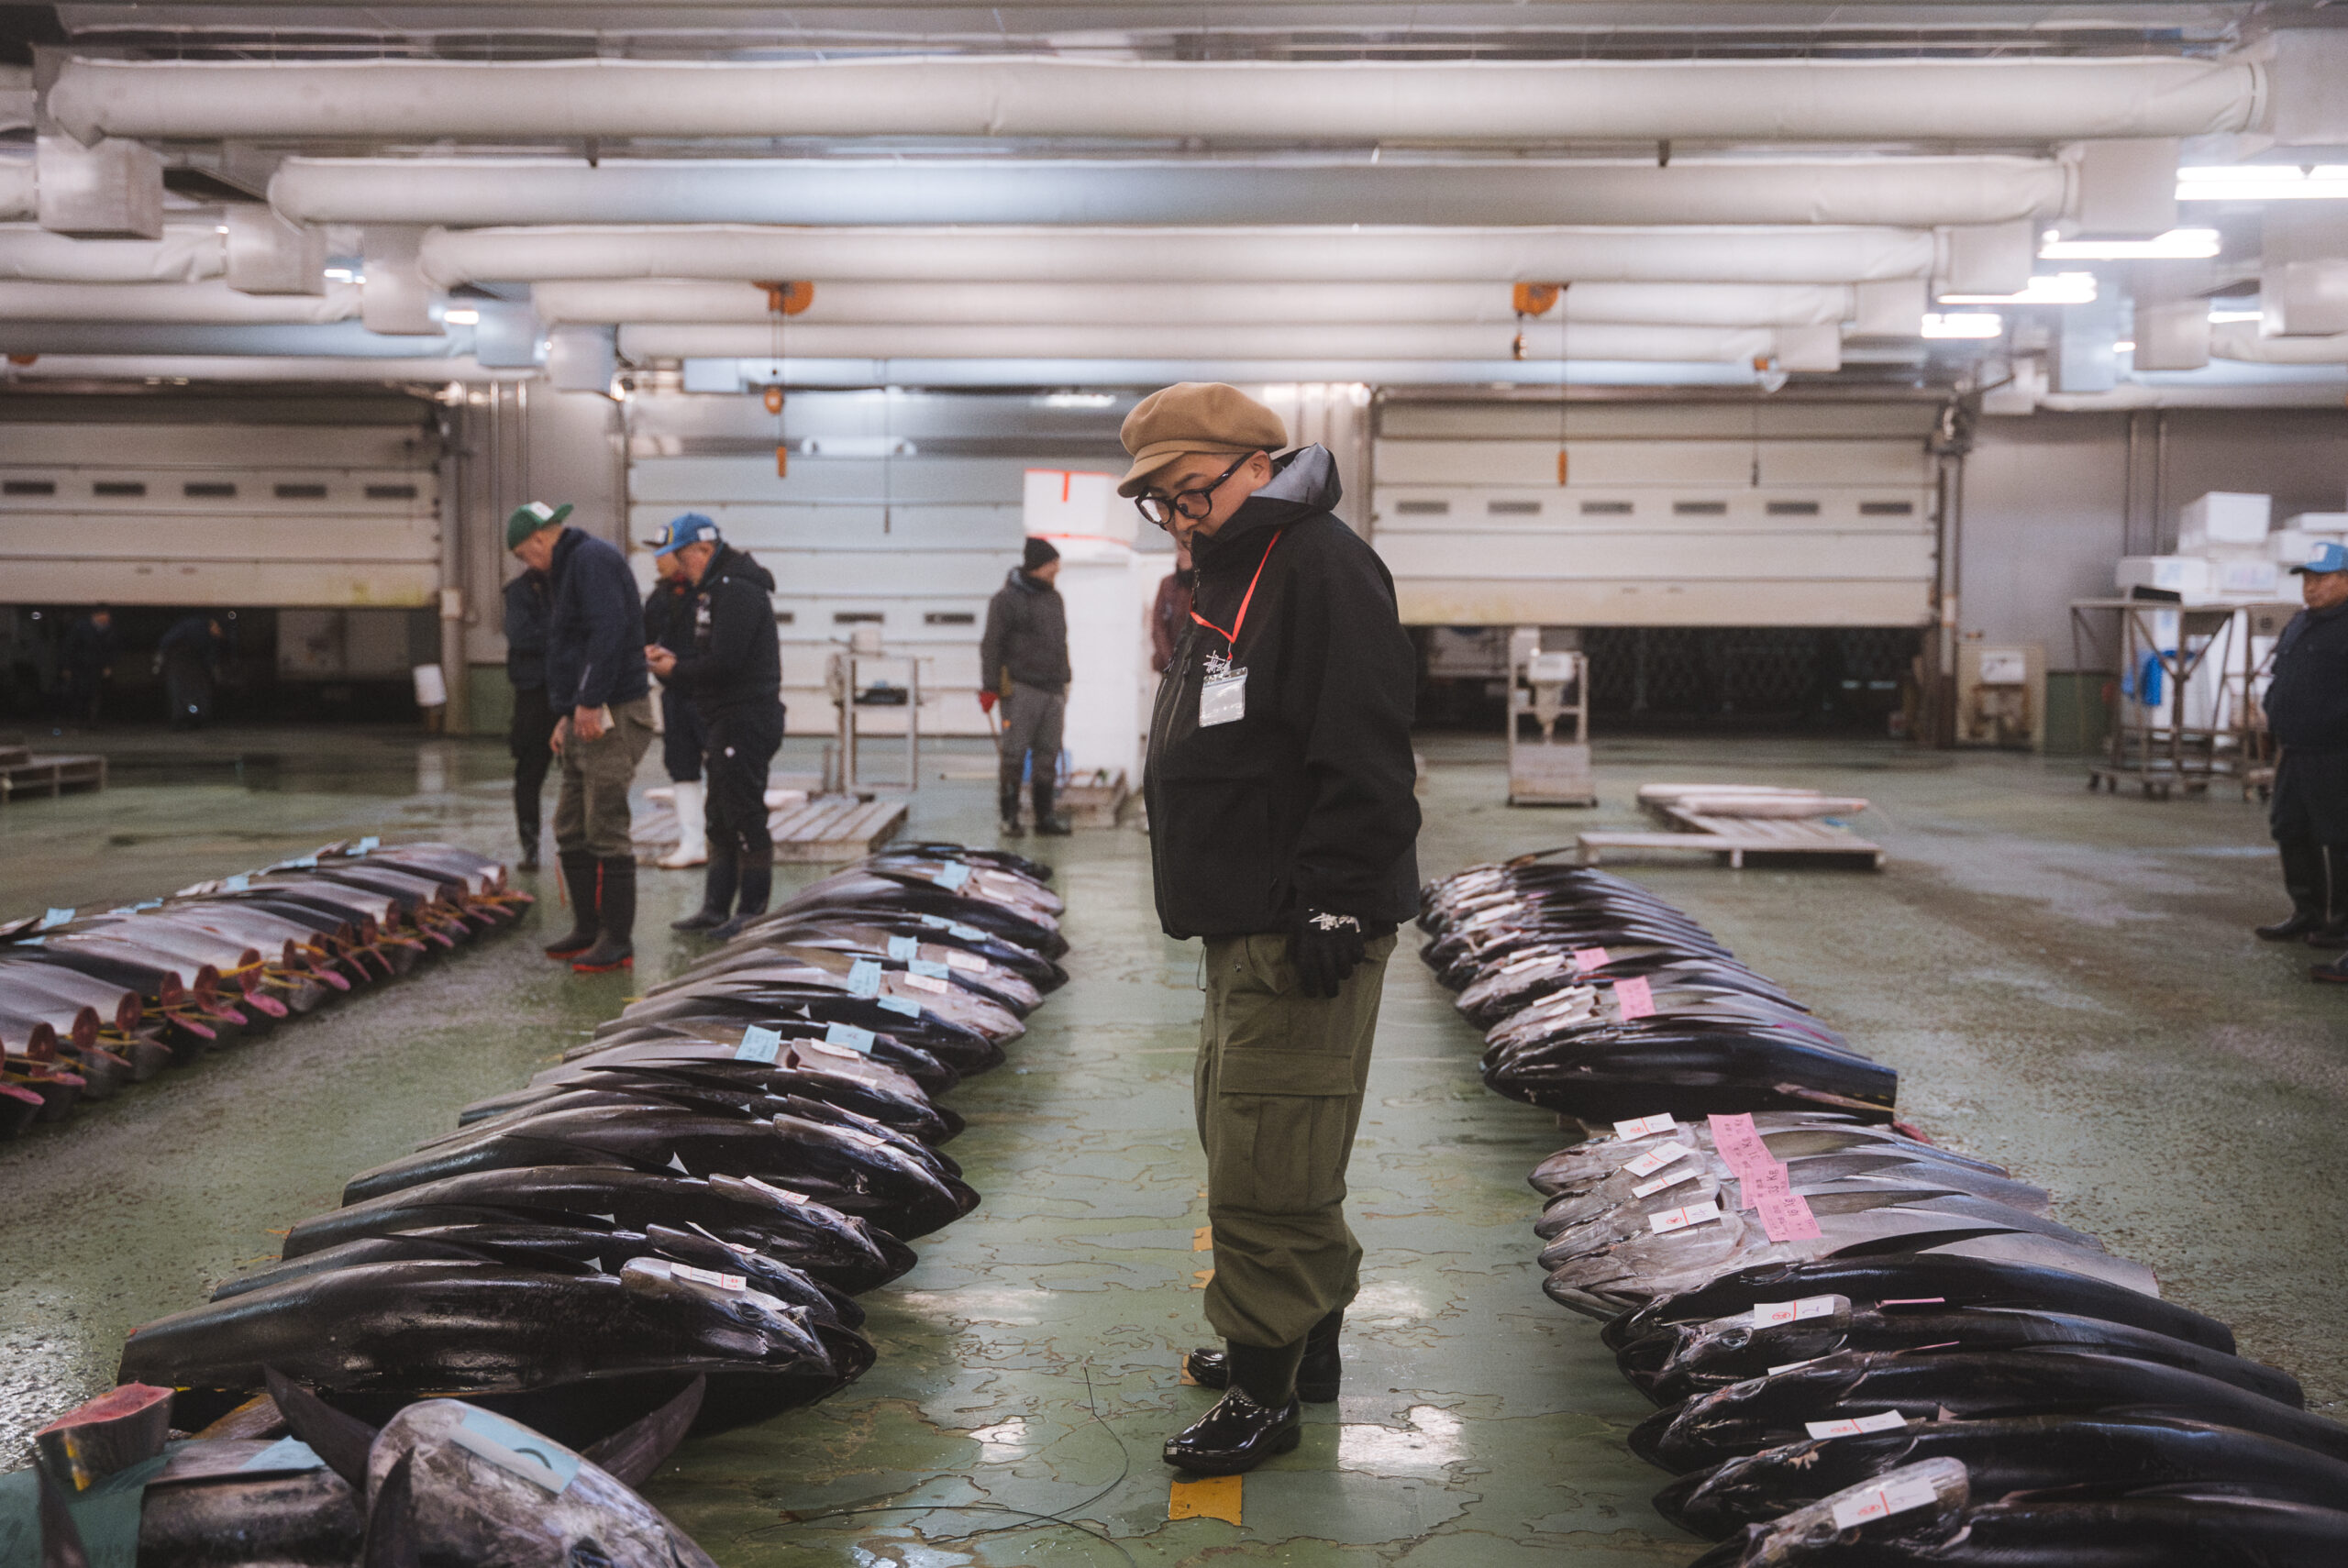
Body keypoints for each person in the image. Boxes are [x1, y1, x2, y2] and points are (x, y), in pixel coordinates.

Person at [1122, 382, 1421, 1474]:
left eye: (1188, 491)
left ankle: (1265, 1395)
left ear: (1254, 463)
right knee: (1252, 1127)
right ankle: (1308, 1342)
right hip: (1245, 918)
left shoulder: (1318, 565)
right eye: (1159, 503)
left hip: (1302, 920)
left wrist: (1336, 891)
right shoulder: (1239, 567)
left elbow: (1369, 745)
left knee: (1268, 1158)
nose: (1178, 515)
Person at [508, 500, 655, 975]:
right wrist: (567, 714)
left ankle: (617, 940)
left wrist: (589, 702)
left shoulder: (590, 559)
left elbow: (608, 633)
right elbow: (572, 644)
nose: (529, 566)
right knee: (571, 826)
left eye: (526, 556)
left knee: (605, 824)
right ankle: (588, 929)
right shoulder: (571, 565)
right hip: (584, 712)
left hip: (612, 710)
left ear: (540, 539)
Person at [647, 515, 785, 941]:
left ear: (704, 550)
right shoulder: (713, 590)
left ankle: (752, 909)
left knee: (743, 813)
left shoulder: (737, 590)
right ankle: (715, 906)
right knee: (719, 816)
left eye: (684, 558)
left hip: (746, 717)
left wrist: (676, 668)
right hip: (724, 716)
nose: (681, 568)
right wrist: (671, 667)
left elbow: (727, 662)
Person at [2255, 541, 2348, 982]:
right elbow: (2280, 677)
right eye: (2306, 579)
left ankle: (2342, 927)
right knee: (2290, 826)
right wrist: (2274, 709)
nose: (2311, 588)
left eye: (2322, 578)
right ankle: (2308, 912)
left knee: (2341, 838)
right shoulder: (2299, 625)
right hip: (2295, 748)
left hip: (2336, 751)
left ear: (2346, 579)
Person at [979, 536, 1073, 836]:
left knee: (1048, 754)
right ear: (1037, 565)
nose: (1056, 570)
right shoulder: (1005, 600)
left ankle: (1044, 818)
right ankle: (1010, 818)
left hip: (1053, 689)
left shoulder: (1053, 598)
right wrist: (989, 687)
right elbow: (991, 645)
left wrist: (1066, 677)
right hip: (1021, 689)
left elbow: (1061, 641)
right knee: (1014, 754)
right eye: (1052, 564)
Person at [642, 521, 711, 870]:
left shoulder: (710, 592)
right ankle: (693, 842)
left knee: (723, 766)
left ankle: (724, 840)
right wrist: (649, 652)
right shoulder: (660, 596)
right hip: (675, 695)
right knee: (682, 766)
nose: (655, 560)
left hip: (710, 693)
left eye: (661, 552)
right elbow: (643, 632)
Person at [502, 563, 556, 870]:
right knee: (528, 775)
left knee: (587, 772)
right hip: (534, 694)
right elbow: (521, 636)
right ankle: (531, 847)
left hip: (572, 692)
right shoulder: (521, 590)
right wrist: (561, 633)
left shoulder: (568, 583)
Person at [156, 613, 225, 729]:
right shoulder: (193, 626)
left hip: (193, 661)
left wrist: (213, 669)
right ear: (214, 625)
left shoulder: (211, 637)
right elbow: (168, 639)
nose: (218, 634)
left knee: (196, 690)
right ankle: (180, 718)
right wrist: (161, 655)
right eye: (219, 631)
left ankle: (196, 717)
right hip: (178, 659)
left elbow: (211, 656)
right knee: (180, 689)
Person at [61, 606, 118, 722]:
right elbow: (70, 647)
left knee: (95, 694)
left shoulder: (109, 630)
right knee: (79, 694)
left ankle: (92, 721)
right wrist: (67, 666)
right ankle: (77, 720)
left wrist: (108, 665)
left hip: (96, 668)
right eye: (105, 616)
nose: (107, 619)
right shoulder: (81, 627)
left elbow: (111, 650)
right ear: (97, 615)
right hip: (80, 666)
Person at [1150, 547, 1194, 676]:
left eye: (1187, 550)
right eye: (1180, 550)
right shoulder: (1167, 584)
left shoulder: (1202, 585)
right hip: (1168, 663)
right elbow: (1158, 625)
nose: (1183, 555)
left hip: (1194, 662)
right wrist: (1170, 660)